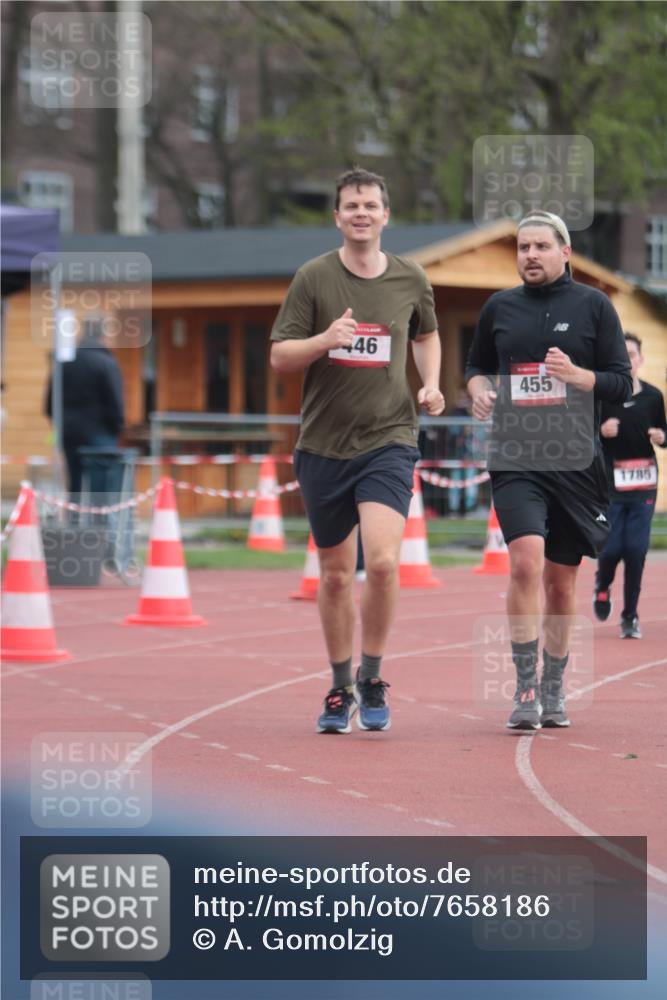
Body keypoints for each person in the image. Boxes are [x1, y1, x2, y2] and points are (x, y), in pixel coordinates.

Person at [270, 167, 444, 733]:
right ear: (338, 217)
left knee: (385, 563)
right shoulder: (314, 277)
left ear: (386, 215)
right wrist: (326, 340)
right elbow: (280, 356)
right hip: (323, 445)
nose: (361, 213)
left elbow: (426, 334)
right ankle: (340, 685)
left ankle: (371, 677)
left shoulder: (410, 277)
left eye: (370, 205)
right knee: (337, 575)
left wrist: (430, 383)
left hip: (389, 438)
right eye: (352, 206)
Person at [466, 210, 632, 730]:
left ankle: (554, 685)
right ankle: (525, 686)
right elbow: (475, 367)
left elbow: (622, 383)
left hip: (575, 462)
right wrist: (479, 390)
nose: (530, 255)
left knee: (561, 584)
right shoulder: (499, 307)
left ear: (565, 252)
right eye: (523, 247)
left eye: (540, 246)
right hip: (516, 457)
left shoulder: (594, 306)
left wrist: (579, 376)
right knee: (524, 564)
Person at [593, 333, 667, 638]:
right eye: (622, 355)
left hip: (644, 483)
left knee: (636, 550)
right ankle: (602, 585)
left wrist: (662, 437)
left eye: (632, 354)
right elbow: (585, 436)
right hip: (611, 484)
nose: (627, 360)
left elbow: (664, 433)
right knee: (611, 549)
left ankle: (630, 616)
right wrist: (601, 431)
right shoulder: (603, 398)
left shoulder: (653, 396)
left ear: (641, 360)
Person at [46, 317, 125, 501]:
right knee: (101, 490)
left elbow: (50, 403)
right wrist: (117, 427)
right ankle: (98, 519)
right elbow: (115, 401)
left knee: (75, 485)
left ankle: (74, 518)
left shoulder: (64, 363)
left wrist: (61, 424)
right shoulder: (106, 362)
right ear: (103, 335)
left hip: (70, 432)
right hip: (101, 434)